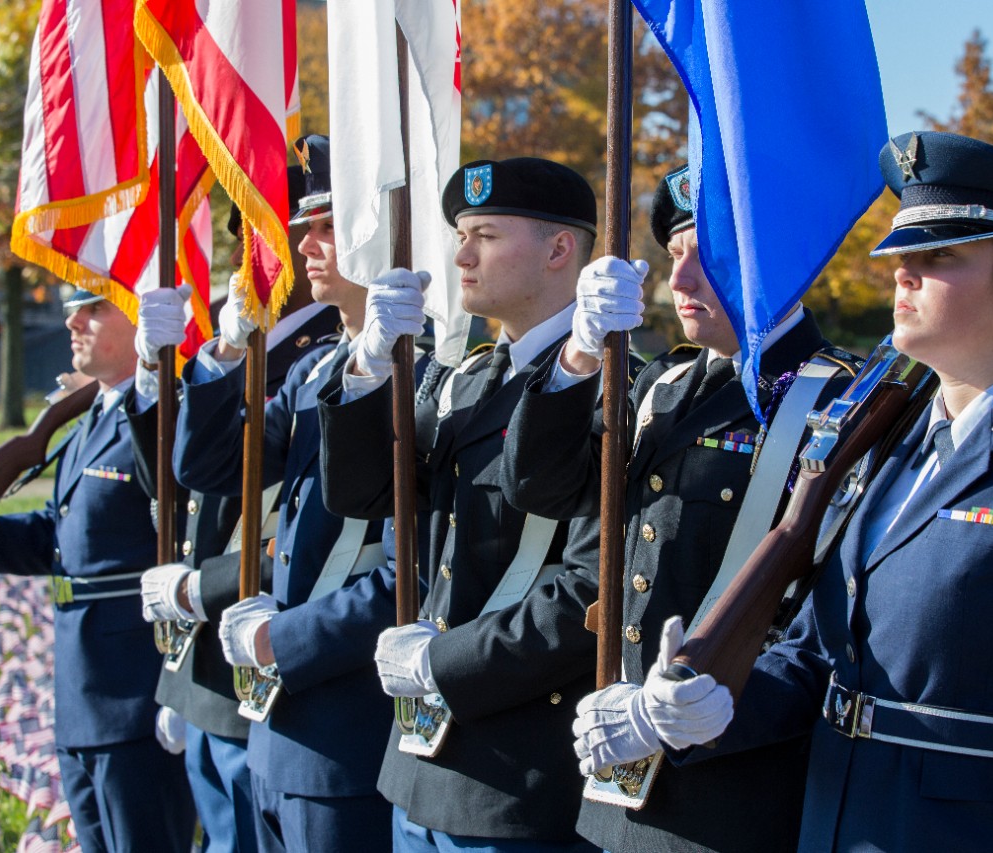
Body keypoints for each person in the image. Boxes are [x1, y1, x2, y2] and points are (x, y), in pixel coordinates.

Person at [644, 131, 993, 852]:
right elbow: (816, 656)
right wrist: (712, 707)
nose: (903, 276)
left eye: (939, 258)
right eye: (901, 258)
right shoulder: (885, 446)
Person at [504, 164, 858, 853]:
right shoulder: (666, 387)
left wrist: (699, 709)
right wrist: (578, 355)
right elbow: (542, 487)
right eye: (674, 255)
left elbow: (828, 629)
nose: (681, 282)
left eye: (711, 256)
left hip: (733, 800)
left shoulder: (841, 404)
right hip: (618, 789)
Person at [319, 157, 635, 852]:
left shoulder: (619, 389)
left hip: (518, 773)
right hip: (422, 762)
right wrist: (370, 367)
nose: (461, 253)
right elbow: (370, 497)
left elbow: (590, 590)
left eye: (486, 234)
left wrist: (444, 663)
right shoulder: (470, 381)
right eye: (461, 233)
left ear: (560, 250)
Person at [171, 134, 401, 852]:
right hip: (279, 725)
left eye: (330, 226)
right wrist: (225, 352)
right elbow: (206, 463)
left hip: (352, 722)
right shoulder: (311, 373)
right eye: (308, 227)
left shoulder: (427, 372)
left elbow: (405, 568)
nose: (306, 245)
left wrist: (281, 638)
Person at [0, 290, 196, 853]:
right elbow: (59, 539)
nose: (73, 320)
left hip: (139, 697)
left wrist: (181, 685)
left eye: (94, 306)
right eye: (73, 308)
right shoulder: (91, 419)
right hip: (82, 692)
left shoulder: (168, 414)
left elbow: (188, 533)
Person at [126, 167, 339, 853]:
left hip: (263, 640)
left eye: (278, 238)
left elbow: (301, 526)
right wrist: (155, 376)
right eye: (251, 238)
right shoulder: (239, 347)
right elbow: (177, 481)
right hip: (206, 660)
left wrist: (200, 587)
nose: (260, 260)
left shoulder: (333, 351)